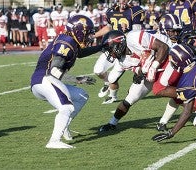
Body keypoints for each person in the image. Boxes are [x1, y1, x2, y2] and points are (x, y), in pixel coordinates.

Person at [30, 15, 97, 149]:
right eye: (87, 33)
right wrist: (77, 79)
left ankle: (64, 126)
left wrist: (101, 47)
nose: (89, 36)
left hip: (44, 80)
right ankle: (54, 141)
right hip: (45, 79)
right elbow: (54, 71)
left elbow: (80, 53)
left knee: (81, 96)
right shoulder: (66, 42)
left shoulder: (69, 40)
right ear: (78, 30)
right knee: (66, 107)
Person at [92, 0, 144, 104]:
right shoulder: (111, 11)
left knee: (113, 77)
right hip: (112, 47)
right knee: (98, 70)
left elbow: (138, 33)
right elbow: (108, 28)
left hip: (125, 49)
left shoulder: (134, 11)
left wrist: (128, 30)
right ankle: (107, 83)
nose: (123, 1)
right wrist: (94, 36)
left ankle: (112, 96)